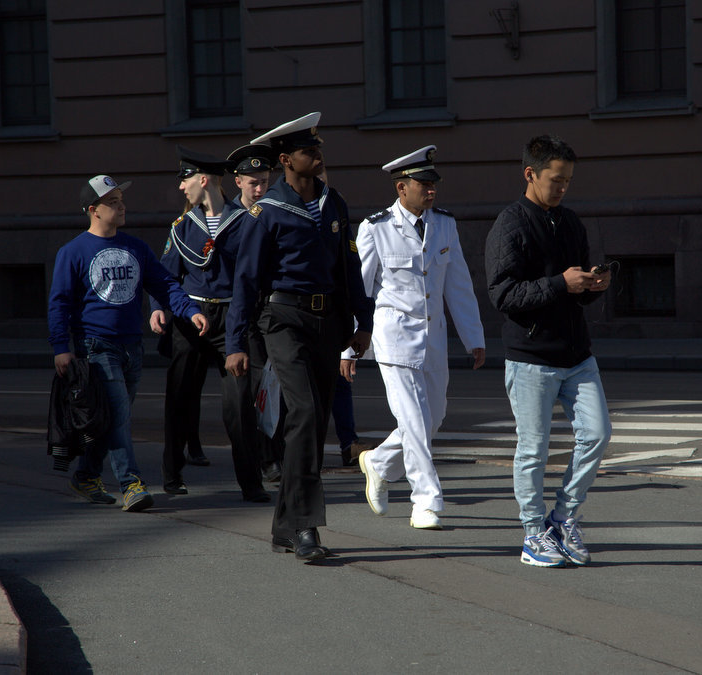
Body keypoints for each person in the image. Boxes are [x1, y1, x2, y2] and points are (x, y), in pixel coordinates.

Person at [224, 112, 372, 562]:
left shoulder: (334, 203)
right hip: (283, 319)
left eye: (318, 149)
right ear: (286, 160)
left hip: (327, 323)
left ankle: (283, 527)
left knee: (310, 422)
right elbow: (246, 282)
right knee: (304, 414)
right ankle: (306, 527)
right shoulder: (265, 213)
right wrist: (234, 344)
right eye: (309, 151)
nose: (318, 156)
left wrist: (361, 323)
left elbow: (350, 267)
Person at [484, 134, 612, 567]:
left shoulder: (571, 222)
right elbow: (503, 295)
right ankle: (532, 533)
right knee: (533, 450)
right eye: (556, 180)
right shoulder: (511, 223)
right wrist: (562, 283)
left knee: (597, 434)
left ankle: (564, 517)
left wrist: (592, 286)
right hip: (531, 359)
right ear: (530, 174)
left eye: (568, 181)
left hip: (577, 355)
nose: (562, 188)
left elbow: (574, 294)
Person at [49, 174, 208, 512]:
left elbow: (164, 284)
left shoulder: (135, 247)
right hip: (95, 346)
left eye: (122, 201)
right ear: (94, 210)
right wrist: (61, 348)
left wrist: (188, 310)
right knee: (119, 416)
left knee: (111, 417)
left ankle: (86, 475)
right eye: (113, 202)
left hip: (132, 346)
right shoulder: (73, 252)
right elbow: (59, 303)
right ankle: (131, 484)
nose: (122, 207)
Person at [353, 145, 486, 530]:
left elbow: (458, 284)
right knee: (412, 419)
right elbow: (359, 291)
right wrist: (350, 346)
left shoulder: (444, 224)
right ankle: (426, 501)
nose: (431, 191)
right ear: (401, 188)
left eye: (433, 184)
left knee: (433, 418)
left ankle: (377, 463)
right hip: (393, 338)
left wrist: (473, 337)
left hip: (434, 339)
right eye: (423, 184)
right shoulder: (375, 228)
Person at [150, 147, 268, 502]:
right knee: (180, 398)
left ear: (203, 180)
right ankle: (172, 474)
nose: (181, 188)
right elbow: (165, 274)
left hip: (232, 321)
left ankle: (251, 482)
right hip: (191, 319)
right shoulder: (183, 226)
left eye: (185, 179)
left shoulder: (246, 221)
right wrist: (159, 308)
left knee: (239, 407)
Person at [226, 143, 283, 482]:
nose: (260, 189)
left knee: (270, 387)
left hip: (270, 312)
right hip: (238, 315)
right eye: (253, 183)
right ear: (238, 182)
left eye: (264, 181)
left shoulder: (273, 213)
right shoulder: (229, 220)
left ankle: (271, 456)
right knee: (245, 395)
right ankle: (256, 459)